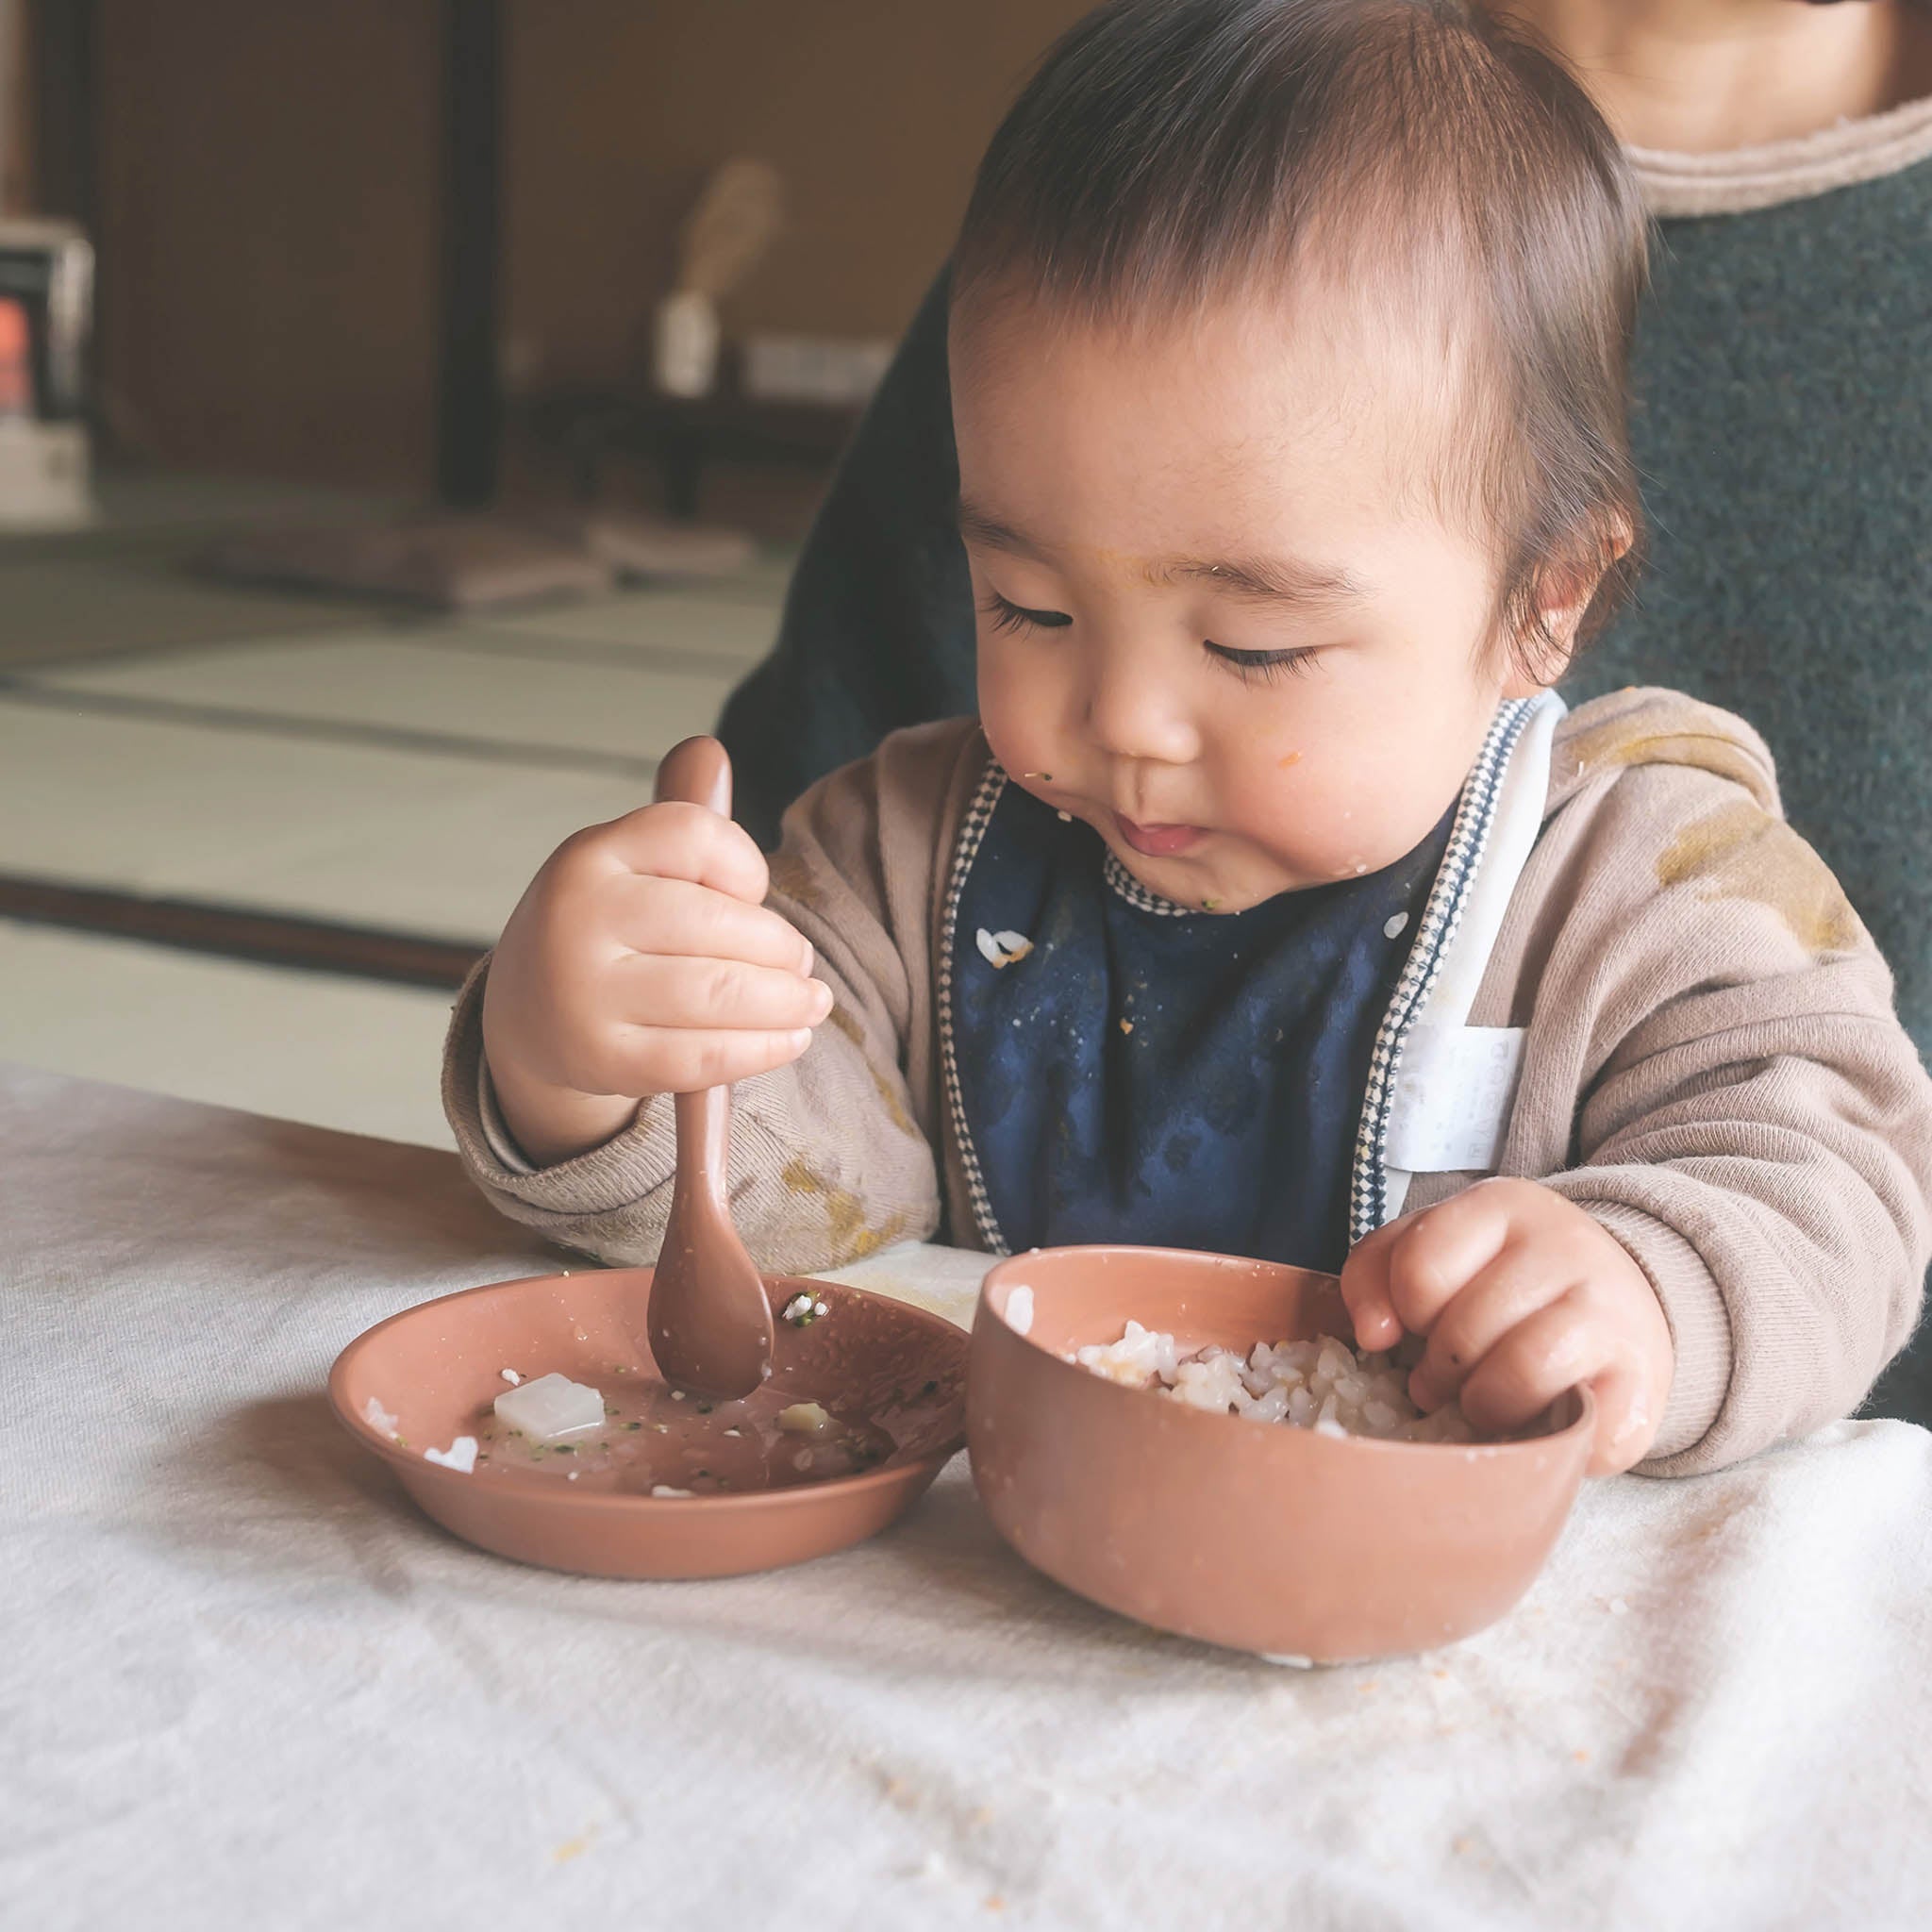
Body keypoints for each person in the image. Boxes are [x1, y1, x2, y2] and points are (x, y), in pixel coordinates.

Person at [449, 0, 1932, 1481]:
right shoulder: (902, 858)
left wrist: (1652, 1291)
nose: (1125, 723)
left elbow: (1837, 1186)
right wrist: (592, 1067)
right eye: (1029, 607)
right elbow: (772, 1208)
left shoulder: (1652, 879)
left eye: (1253, 646)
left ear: (1546, 599)